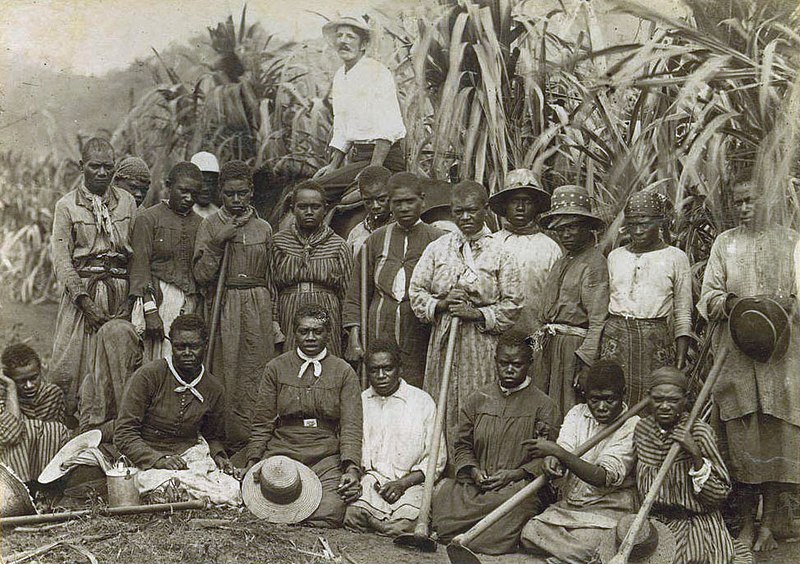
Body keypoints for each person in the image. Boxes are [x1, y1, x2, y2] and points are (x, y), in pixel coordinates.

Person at [698, 178, 800, 552]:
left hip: (781, 358)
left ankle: (770, 522)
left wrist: (784, 304)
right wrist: (730, 303)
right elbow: (707, 294)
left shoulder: (791, 242)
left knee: (775, 434)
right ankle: (744, 522)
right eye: (738, 202)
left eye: (750, 200)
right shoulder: (726, 243)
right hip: (736, 355)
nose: (743, 208)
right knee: (742, 437)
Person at [410, 180, 522, 456]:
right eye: (459, 211)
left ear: (485, 210)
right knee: (442, 403)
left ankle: (476, 467)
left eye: (472, 210)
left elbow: (514, 303)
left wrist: (477, 313)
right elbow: (416, 291)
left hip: (481, 343)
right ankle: (440, 469)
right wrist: (441, 303)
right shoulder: (439, 248)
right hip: (444, 340)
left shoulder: (501, 252)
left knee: (479, 403)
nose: (465, 218)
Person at [431, 332, 561, 555]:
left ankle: (470, 537)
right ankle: (464, 533)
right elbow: (462, 444)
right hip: (477, 485)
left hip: (516, 487)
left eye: (517, 364)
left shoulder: (543, 405)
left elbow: (546, 455)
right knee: (445, 497)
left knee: (515, 509)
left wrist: (514, 474)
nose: (509, 369)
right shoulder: (478, 398)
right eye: (504, 363)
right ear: (495, 362)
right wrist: (473, 471)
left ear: (529, 364)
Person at [239, 305, 363, 528]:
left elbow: (351, 426)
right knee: (260, 495)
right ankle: (284, 511)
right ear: (294, 333)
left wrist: (351, 468)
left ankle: (286, 515)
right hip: (284, 449)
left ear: (328, 333)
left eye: (317, 331)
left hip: (325, 454)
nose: (311, 337)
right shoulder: (276, 367)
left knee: (331, 510)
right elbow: (262, 421)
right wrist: (253, 460)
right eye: (304, 331)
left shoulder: (343, 371)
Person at [193, 160, 281, 448]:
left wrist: (274, 317)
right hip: (225, 304)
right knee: (226, 369)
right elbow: (201, 275)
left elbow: (272, 277)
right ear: (220, 192)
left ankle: (257, 439)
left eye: (241, 193)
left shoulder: (264, 228)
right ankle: (225, 439)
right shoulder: (209, 225)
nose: (235, 200)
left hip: (258, 303)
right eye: (229, 194)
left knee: (256, 368)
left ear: (251, 192)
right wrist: (219, 241)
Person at [49, 137, 136, 422]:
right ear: (81, 166)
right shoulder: (66, 206)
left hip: (119, 293)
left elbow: (135, 254)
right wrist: (83, 301)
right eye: (95, 166)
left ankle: (112, 428)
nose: (101, 173)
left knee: (117, 363)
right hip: (83, 294)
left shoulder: (126, 202)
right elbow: (61, 259)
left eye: (108, 167)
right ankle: (71, 426)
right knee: (72, 365)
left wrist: (131, 298)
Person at [519, 360, 640, 563]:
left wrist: (557, 452)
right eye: (594, 400)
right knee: (530, 532)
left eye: (609, 399)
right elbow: (564, 448)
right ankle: (579, 556)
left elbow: (601, 477)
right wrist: (551, 459)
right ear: (586, 395)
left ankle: (571, 554)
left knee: (590, 542)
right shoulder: (577, 413)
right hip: (571, 505)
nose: (601, 407)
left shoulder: (633, 425)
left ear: (623, 393)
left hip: (608, 509)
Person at [114, 314, 239, 506]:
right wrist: (158, 459)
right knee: (159, 485)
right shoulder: (149, 376)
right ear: (171, 345)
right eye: (180, 347)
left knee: (229, 490)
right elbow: (124, 433)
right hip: (146, 455)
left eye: (194, 347)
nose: (187, 353)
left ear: (205, 345)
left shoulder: (213, 388)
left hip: (188, 456)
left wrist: (219, 456)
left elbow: (213, 436)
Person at [632, 367, 751, 564]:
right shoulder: (642, 429)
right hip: (654, 523)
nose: (665, 406)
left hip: (694, 524)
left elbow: (718, 496)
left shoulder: (699, 433)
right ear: (648, 398)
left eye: (673, 400)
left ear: (685, 400)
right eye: (658, 399)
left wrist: (695, 454)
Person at [343, 172, 444, 386]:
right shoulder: (375, 240)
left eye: (410, 201)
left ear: (422, 200)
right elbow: (356, 294)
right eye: (397, 203)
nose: (404, 208)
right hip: (380, 329)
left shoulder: (439, 241)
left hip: (420, 332)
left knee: (419, 386)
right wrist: (354, 338)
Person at [344, 338, 445, 536]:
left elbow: (437, 458)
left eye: (387, 369)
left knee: (408, 521)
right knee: (352, 515)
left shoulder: (422, 402)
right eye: (374, 370)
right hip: (374, 481)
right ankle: (387, 529)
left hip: (411, 483)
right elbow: (354, 449)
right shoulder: (361, 401)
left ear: (400, 369)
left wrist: (402, 484)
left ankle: (385, 526)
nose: (381, 376)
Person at [600, 191, 693, 406]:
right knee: (614, 398)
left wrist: (680, 357)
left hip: (655, 342)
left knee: (653, 403)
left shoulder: (675, 257)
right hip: (616, 340)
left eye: (645, 224)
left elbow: (682, 310)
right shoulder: (615, 256)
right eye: (632, 225)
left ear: (659, 223)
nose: (638, 231)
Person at [311, 14, 406, 203]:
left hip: (383, 160)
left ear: (363, 45)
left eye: (350, 37)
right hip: (359, 159)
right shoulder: (341, 76)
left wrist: (373, 172)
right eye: (339, 36)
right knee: (315, 184)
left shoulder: (377, 72)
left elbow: (387, 128)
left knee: (316, 192)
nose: (343, 41)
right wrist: (333, 165)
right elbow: (342, 127)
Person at [534, 185, 609, 415]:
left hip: (572, 349)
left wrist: (586, 363)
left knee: (567, 408)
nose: (566, 235)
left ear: (587, 228)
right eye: (561, 229)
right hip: (550, 345)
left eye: (572, 227)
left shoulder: (594, 263)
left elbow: (598, 320)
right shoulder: (563, 260)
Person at [130, 162, 204, 362]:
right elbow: (140, 267)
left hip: (189, 302)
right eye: (183, 191)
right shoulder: (148, 219)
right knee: (153, 359)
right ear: (168, 186)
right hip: (157, 299)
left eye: (194, 193)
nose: (189, 198)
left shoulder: (201, 224)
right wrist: (150, 311)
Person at [272, 180, 353, 358]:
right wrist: (274, 321)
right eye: (303, 206)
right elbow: (271, 288)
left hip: (327, 311)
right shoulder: (278, 242)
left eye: (315, 207)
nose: (309, 212)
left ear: (325, 208)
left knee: (327, 366)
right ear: (293, 209)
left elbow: (347, 292)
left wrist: (346, 329)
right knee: (291, 365)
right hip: (289, 311)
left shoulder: (338, 245)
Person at [489, 169, 562, 337]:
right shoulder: (490, 243)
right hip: (494, 334)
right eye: (515, 201)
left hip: (535, 333)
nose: (520, 208)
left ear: (536, 206)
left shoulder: (550, 248)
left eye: (527, 202)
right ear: (505, 205)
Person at [0, 344, 70, 484]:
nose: (29, 385)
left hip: (44, 469)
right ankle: (21, 491)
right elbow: (11, 435)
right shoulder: (3, 398)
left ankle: (46, 489)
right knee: (26, 430)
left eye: (33, 378)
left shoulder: (51, 394)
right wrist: (11, 389)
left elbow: (55, 437)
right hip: (10, 469)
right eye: (20, 381)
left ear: (41, 371)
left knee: (54, 429)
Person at [345, 165, 392, 254]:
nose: (375, 206)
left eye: (381, 200)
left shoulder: (402, 230)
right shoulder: (356, 233)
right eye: (368, 201)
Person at [190, 151, 221, 218]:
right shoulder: (180, 214)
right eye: (201, 182)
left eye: (210, 182)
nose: (206, 188)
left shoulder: (218, 215)